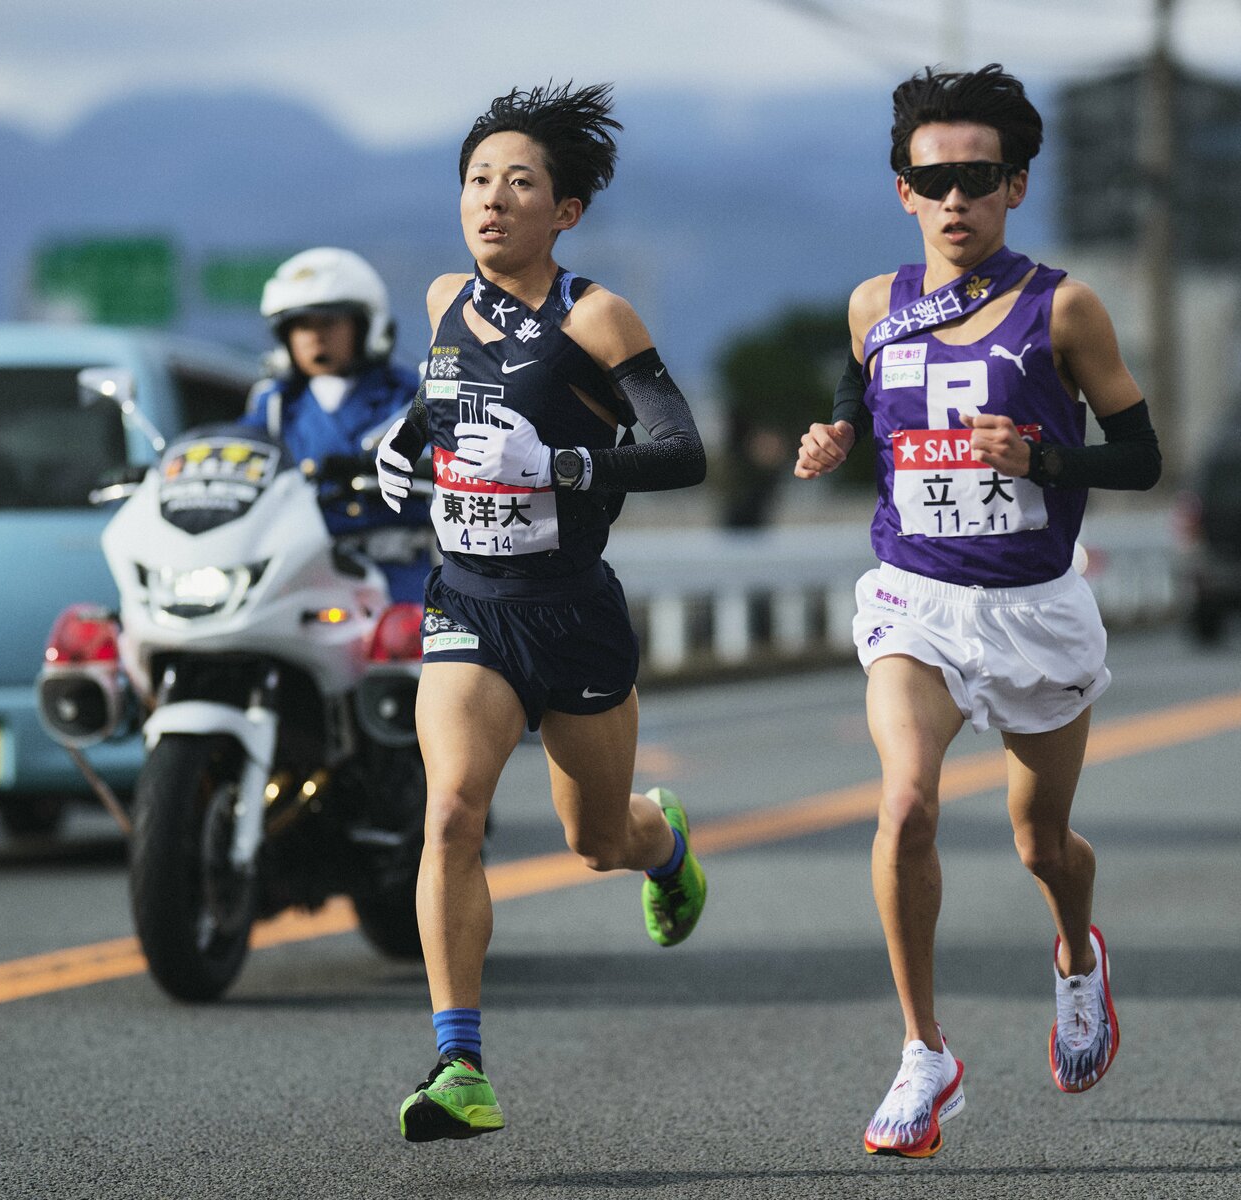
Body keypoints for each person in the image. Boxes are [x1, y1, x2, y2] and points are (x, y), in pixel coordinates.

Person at [794, 64, 1161, 1158]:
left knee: (1039, 842)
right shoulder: (872, 305)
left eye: (977, 178)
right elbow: (853, 405)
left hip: (1035, 608)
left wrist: (1046, 456)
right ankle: (923, 1054)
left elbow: (1141, 456)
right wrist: (829, 440)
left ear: (1015, 186)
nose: (954, 200)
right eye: (931, 180)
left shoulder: (1065, 306)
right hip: (916, 598)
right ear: (902, 190)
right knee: (905, 804)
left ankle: (1075, 954)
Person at [373, 81, 709, 1143]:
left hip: (572, 614)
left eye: (520, 184)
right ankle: (459, 1064)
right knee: (453, 812)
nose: (492, 201)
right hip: (468, 602)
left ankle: (663, 848)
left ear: (564, 211)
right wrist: (397, 437)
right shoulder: (440, 301)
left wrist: (561, 463)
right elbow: (440, 401)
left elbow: (681, 451)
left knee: (593, 839)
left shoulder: (597, 317)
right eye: (477, 181)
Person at [240, 246, 431, 602]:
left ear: (365, 327)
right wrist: (167, 470)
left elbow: (447, 457)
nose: (314, 336)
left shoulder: (410, 396)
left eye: (327, 323)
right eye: (300, 326)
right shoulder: (274, 404)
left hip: (396, 574)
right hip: (299, 575)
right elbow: (237, 452)